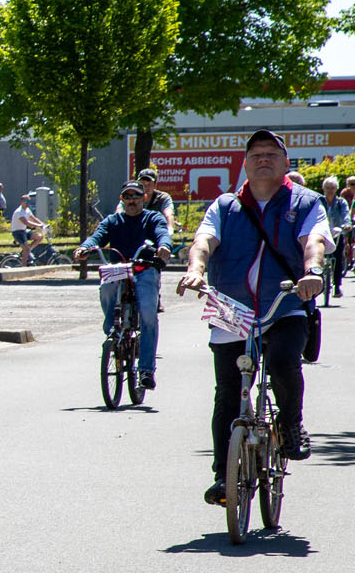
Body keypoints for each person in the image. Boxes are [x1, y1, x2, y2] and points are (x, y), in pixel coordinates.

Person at [178, 129, 330, 506]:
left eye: (271, 154)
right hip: (232, 310)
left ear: (285, 163)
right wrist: (196, 269)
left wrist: (312, 272)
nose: (263, 158)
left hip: (285, 305)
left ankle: (291, 426)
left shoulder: (306, 202)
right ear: (245, 164)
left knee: (282, 363)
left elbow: (314, 241)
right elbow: (204, 241)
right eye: (256, 154)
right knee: (228, 392)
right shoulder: (225, 206)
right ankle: (223, 476)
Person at [74, 179, 173, 389]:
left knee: (147, 314)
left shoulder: (152, 218)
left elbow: (162, 234)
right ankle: (113, 330)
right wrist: (84, 248)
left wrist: (163, 246)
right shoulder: (113, 221)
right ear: (122, 199)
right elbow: (97, 237)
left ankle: (146, 370)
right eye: (127, 196)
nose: (132, 200)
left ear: (143, 198)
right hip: (119, 268)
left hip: (144, 268)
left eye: (136, 196)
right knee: (106, 285)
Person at [319, 176, 350, 297]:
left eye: (332, 188)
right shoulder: (320, 201)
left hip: (336, 233)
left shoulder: (341, 202)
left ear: (336, 189)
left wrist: (347, 225)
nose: (329, 190)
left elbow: (345, 214)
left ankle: (337, 287)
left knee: (337, 258)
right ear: (323, 189)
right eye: (327, 188)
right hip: (322, 233)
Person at [10, 193, 47, 265]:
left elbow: (33, 219)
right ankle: (23, 267)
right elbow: (26, 223)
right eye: (26, 202)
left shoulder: (27, 210)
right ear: (21, 202)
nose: (27, 204)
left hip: (24, 231)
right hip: (17, 232)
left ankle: (28, 251)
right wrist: (39, 225)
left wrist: (43, 224)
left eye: (29, 202)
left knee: (39, 237)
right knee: (26, 249)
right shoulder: (19, 212)